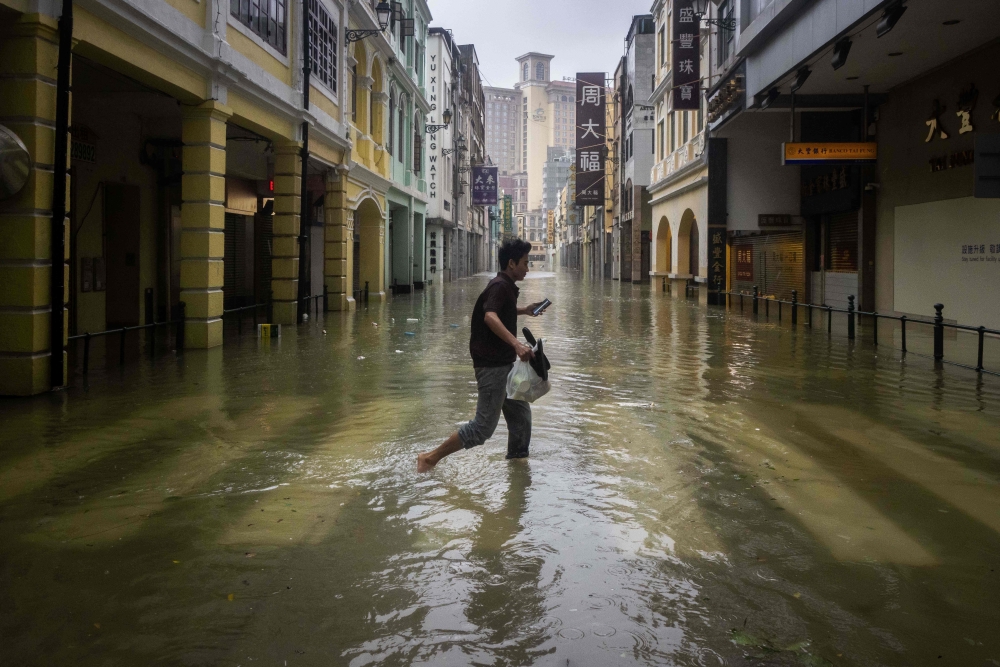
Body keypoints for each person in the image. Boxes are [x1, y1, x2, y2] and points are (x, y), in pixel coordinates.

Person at [417, 238, 545, 472]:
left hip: (505, 365)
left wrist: (525, 310)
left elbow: (499, 310)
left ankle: (517, 468)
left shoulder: (504, 286)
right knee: (482, 427)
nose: (528, 268)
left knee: (521, 417)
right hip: (492, 367)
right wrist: (517, 345)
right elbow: (490, 316)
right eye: (525, 263)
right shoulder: (499, 286)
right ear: (511, 263)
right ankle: (429, 458)